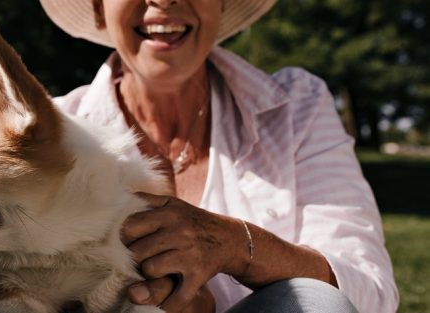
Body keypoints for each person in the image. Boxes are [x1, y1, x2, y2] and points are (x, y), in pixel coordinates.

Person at [40, 0, 398, 312]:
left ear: (223, 2)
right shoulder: (51, 136)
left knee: (317, 302)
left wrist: (235, 245)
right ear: (98, 7)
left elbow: (370, 291)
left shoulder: (296, 107)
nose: (163, 1)